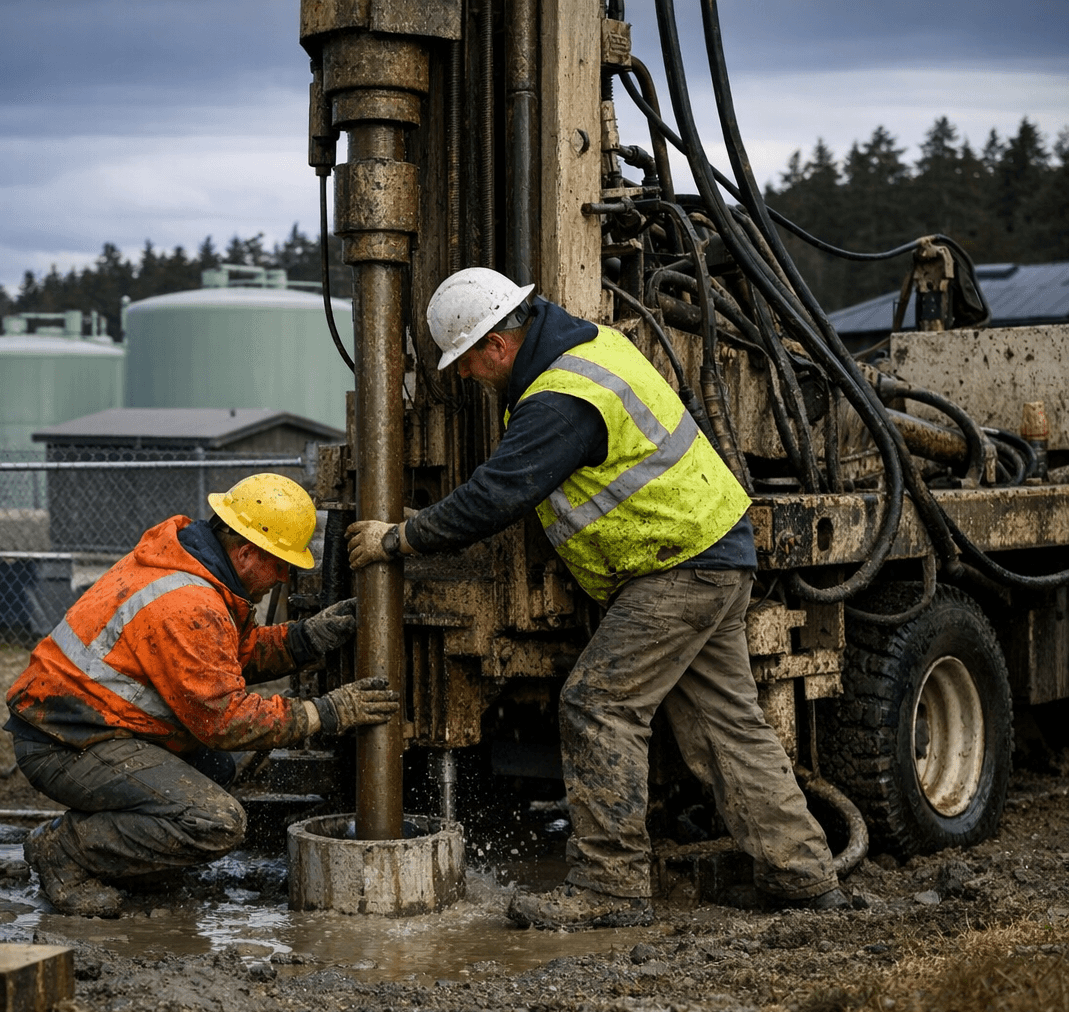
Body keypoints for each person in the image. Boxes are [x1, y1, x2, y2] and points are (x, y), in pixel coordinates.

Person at [347, 267, 845, 930]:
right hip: (711, 554)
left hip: (677, 566)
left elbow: (496, 495)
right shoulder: (590, 350)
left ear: (496, 345)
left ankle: (610, 889)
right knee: (727, 726)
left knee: (598, 704)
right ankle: (804, 880)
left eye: (465, 364)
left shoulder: (561, 397)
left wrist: (398, 539)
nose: (464, 378)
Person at [6, 472, 397, 917]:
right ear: (247, 552)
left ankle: (130, 862)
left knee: (214, 770)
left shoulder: (198, 572)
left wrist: (305, 639)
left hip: (92, 725)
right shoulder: (188, 602)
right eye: (281, 563)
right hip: (64, 741)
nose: (286, 576)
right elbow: (223, 718)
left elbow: (226, 657)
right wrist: (325, 713)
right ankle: (64, 852)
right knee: (215, 822)